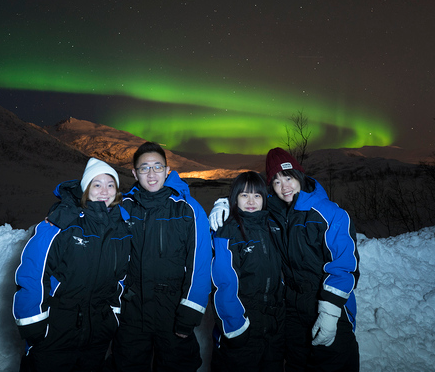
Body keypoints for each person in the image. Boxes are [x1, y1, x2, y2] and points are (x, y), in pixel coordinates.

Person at [209, 148, 360, 372]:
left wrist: (330, 310)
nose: (284, 187)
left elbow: (345, 264)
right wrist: (223, 204)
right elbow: (250, 203)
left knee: (334, 361)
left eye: (288, 178)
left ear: (299, 176)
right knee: (297, 364)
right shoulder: (274, 215)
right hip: (290, 311)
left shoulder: (329, 213)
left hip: (328, 305)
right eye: (277, 182)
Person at [13, 157, 132, 372]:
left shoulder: (121, 229)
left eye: (110, 184)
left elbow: (121, 279)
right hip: (56, 330)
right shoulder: (62, 222)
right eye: (97, 184)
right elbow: (33, 272)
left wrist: (113, 317)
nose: (104, 191)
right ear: (86, 188)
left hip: (97, 333)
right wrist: (33, 323)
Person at [107, 141, 212, 372]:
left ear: (167, 170)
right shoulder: (124, 208)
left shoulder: (187, 209)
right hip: (132, 312)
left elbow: (200, 264)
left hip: (173, 311)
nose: (151, 173)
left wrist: (191, 310)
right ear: (135, 172)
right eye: (144, 168)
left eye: (157, 167)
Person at [210, 171, 285, 372]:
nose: (251, 201)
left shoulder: (272, 227)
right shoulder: (227, 231)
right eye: (244, 195)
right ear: (235, 198)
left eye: (257, 195)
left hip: (272, 329)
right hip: (243, 328)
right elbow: (223, 283)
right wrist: (236, 328)